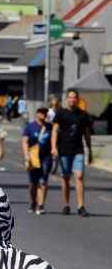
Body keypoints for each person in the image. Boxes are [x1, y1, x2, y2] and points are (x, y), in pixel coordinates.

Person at [51, 89, 92, 217]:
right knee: (65, 177)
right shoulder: (61, 113)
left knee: (79, 176)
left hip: (78, 150)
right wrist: (53, 147)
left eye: (74, 97)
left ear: (78, 99)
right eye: (70, 97)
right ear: (67, 99)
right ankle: (66, 205)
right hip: (64, 150)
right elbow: (55, 130)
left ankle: (81, 206)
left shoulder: (83, 115)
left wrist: (90, 151)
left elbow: (87, 133)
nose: (72, 99)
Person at [23, 108, 53, 214]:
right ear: (36, 114)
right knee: (33, 183)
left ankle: (41, 205)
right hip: (33, 156)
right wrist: (26, 155)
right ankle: (33, 202)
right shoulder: (30, 127)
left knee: (43, 181)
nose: (43, 115)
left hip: (46, 157)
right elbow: (25, 141)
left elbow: (55, 139)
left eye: (45, 113)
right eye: (41, 113)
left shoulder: (50, 127)